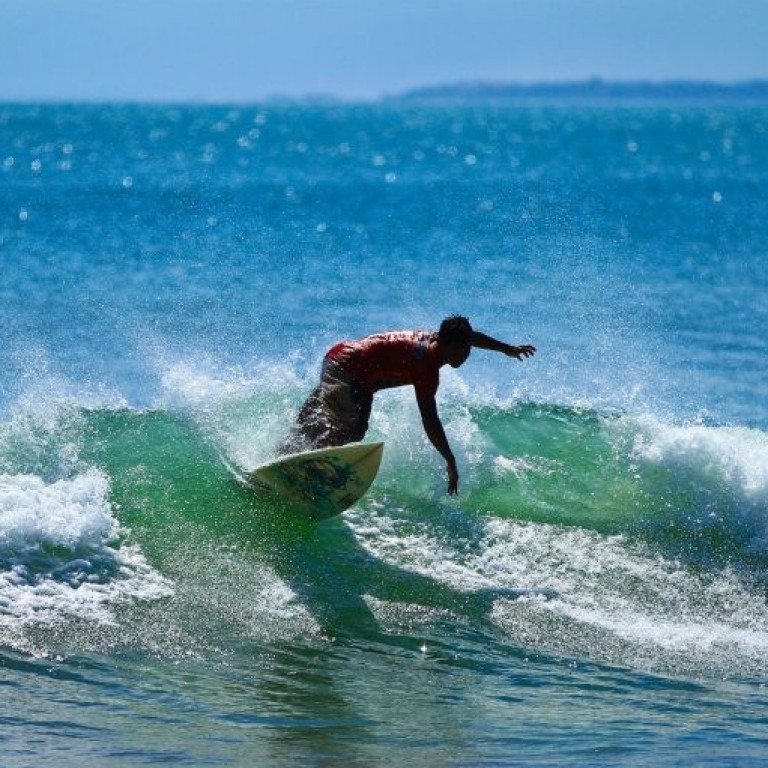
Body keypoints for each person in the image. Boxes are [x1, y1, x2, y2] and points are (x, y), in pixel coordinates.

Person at [284, 315, 535, 495]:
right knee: (349, 428)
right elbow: (430, 419)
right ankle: (307, 470)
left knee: (333, 426)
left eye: (467, 350)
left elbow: (471, 337)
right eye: (460, 351)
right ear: (445, 344)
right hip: (347, 368)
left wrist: (507, 349)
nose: (464, 356)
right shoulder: (426, 367)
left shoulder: (439, 339)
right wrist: (450, 459)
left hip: (351, 367)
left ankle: (285, 455)